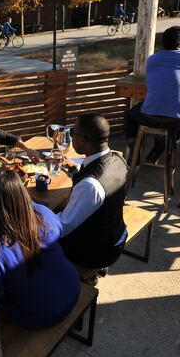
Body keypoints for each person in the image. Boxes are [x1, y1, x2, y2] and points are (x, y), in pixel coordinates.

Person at [0, 169, 81, 357]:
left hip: (41, 315)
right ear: (23, 196)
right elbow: (58, 228)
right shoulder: (42, 213)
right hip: (72, 289)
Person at [58, 113, 128, 271]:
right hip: (116, 234)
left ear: (82, 140)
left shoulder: (90, 185)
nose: (71, 136)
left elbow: (62, 226)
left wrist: (33, 207)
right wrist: (75, 170)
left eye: (72, 133)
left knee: (35, 239)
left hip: (97, 252)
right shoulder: (119, 160)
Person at [124, 26, 180, 163]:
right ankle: (160, 148)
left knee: (130, 116)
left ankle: (134, 151)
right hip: (176, 121)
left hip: (149, 116)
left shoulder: (153, 59)